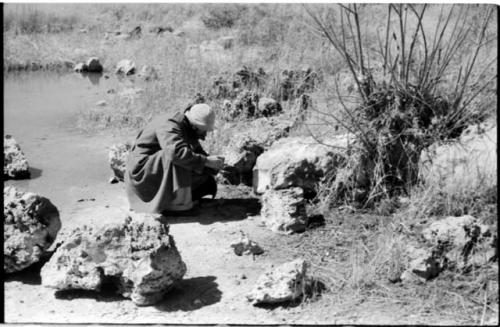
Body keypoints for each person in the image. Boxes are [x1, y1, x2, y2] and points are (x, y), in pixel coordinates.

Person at [125, 103, 225, 214]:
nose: (205, 135)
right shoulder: (170, 125)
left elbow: (197, 152)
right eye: (203, 130)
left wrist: (213, 164)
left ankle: (176, 200)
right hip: (142, 172)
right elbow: (175, 152)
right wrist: (206, 161)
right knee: (178, 156)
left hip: (155, 169)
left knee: (195, 164)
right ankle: (178, 206)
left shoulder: (185, 125)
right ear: (194, 126)